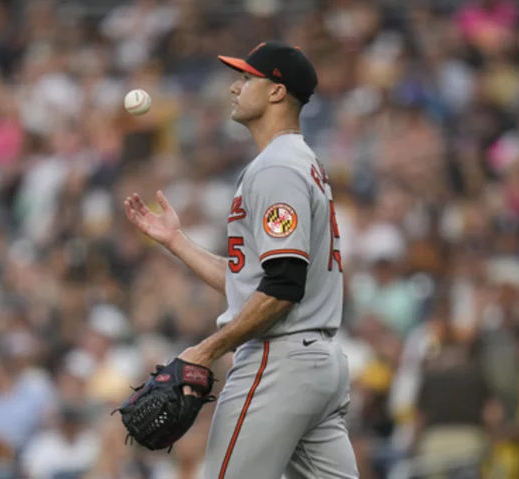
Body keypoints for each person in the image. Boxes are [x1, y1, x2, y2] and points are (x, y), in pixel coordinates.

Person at [124, 41, 358, 479]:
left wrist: (206, 351)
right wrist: (177, 242)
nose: (235, 87)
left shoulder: (276, 168)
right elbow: (257, 281)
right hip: (318, 364)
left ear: (275, 91)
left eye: (247, 77)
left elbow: (284, 287)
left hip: (279, 361)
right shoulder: (300, 163)